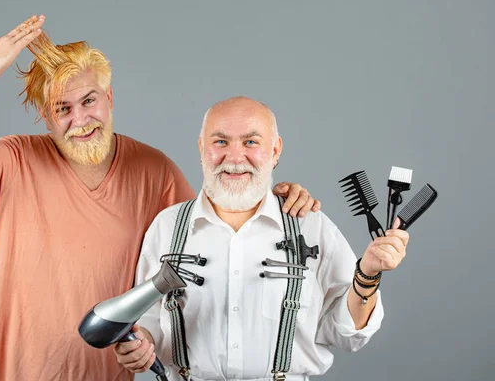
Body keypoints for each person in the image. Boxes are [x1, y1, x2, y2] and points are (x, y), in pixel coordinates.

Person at [0, 16, 321, 381]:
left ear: (109, 98)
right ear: (45, 117)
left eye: (89, 101)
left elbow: (214, 241)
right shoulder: (16, 159)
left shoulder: (154, 170)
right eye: (62, 108)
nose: (80, 120)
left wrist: (274, 197)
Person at [113, 96, 410, 381]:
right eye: (220, 142)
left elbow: (348, 334)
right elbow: (148, 322)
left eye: (251, 142)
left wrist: (368, 273)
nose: (235, 157)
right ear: (202, 148)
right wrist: (139, 345)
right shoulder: (167, 227)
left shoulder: (310, 226)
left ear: (276, 150)